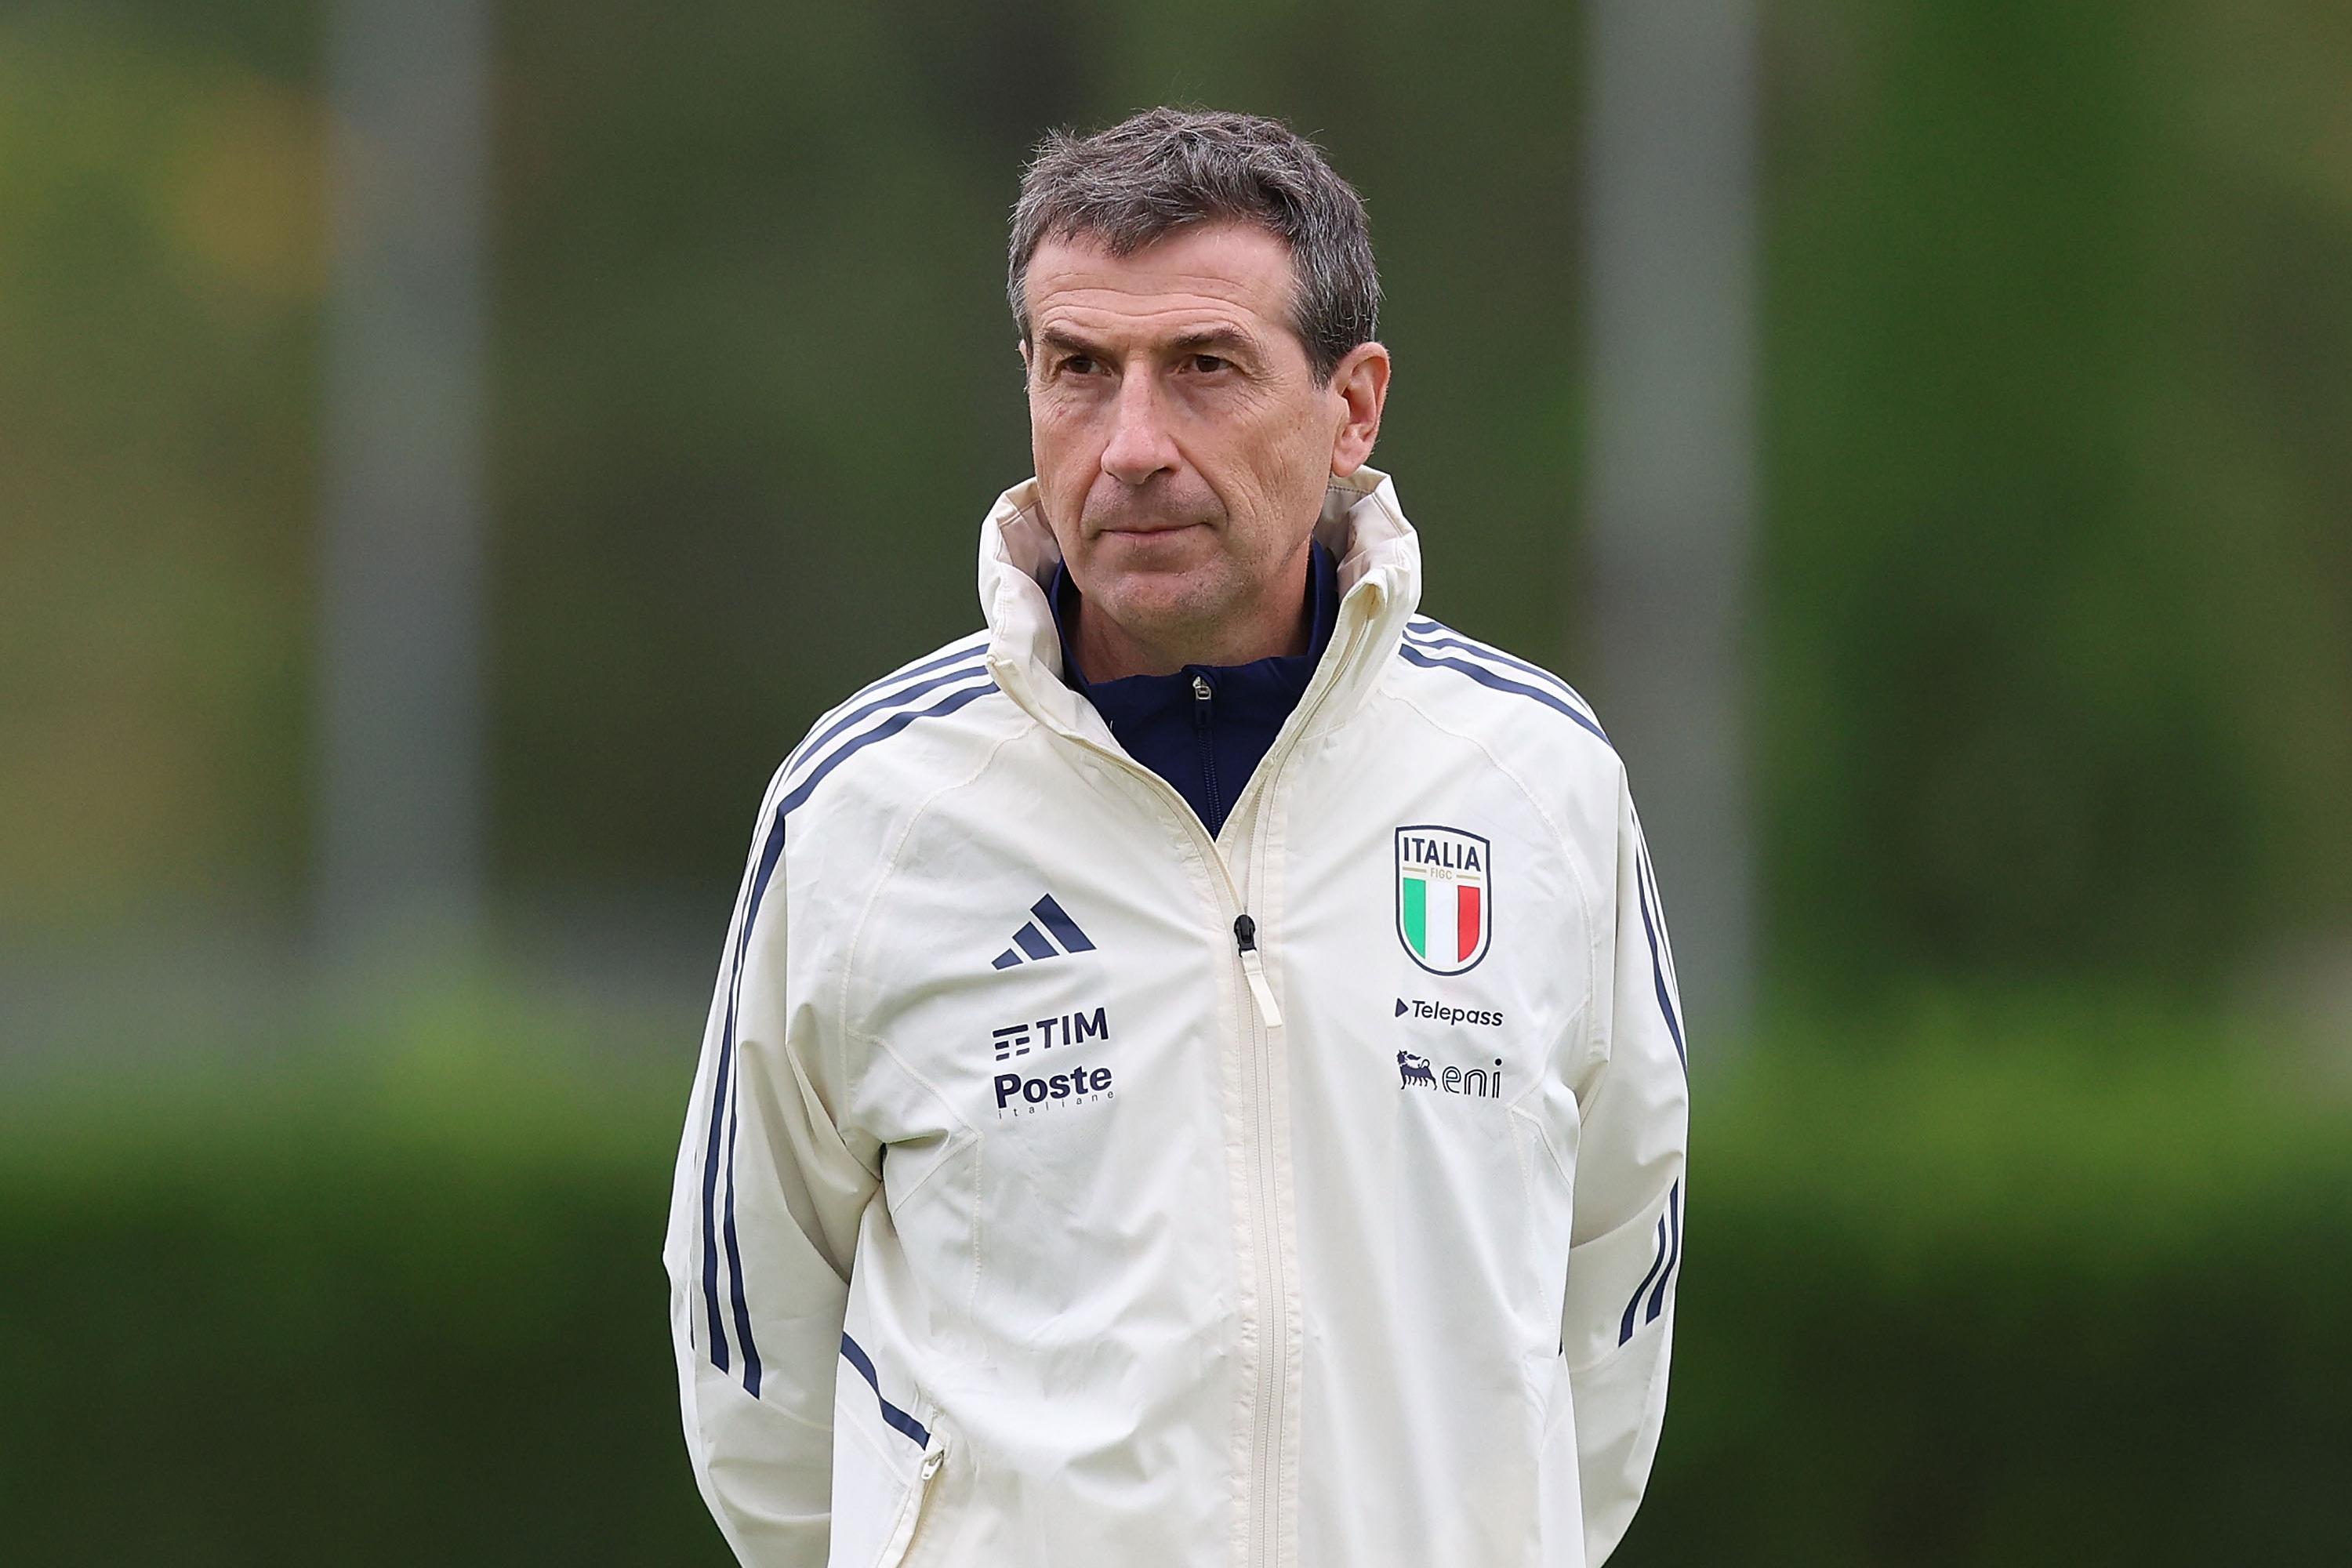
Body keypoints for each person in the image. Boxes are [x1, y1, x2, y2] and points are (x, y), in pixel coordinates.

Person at [663, 107, 1690, 1568]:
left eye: (1205, 368)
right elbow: (752, 1358)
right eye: (1079, 370)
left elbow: (1615, 1296)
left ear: (1354, 408)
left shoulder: (1536, 785)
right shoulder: (867, 809)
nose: (1131, 445)